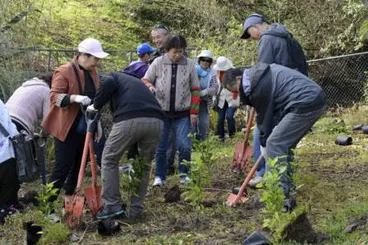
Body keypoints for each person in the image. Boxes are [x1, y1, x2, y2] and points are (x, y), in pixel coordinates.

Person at [222, 63, 326, 211]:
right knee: (282, 145)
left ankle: (278, 197)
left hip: (305, 101)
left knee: (275, 144)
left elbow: (265, 119)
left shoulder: (257, 86)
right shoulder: (256, 78)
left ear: (239, 79)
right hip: (308, 99)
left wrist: (265, 144)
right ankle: (288, 191)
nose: (238, 94)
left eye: (235, 90)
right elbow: (273, 111)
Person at [240, 13, 309, 186]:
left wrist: (258, 94)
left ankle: (264, 174)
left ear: (256, 26)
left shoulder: (267, 39)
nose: (252, 38)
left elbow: (262, 71)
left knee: (262, 132)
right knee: (284, 137)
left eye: (250, 33)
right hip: (295, 91)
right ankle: (286, 174)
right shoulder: (287, 36)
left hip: (278, 92)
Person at [88, 72, 164, 220]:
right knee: (143, 164)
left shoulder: (110, 76)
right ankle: (135, 210)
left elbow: (108, 82)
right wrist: (132, 148)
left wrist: (95, 106)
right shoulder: (135, 83)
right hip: (157, 121)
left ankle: (111, 206)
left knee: (109, 159)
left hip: (130, 119)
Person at [42, 38, 108, 204]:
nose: (97, 62)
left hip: (86, 127)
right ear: (84, 55)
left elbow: (96, 100)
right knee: (62, 167)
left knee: (79, 165)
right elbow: (54, 97)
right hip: (66, 128)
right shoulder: (64, 71)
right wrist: (74, 98)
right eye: (96, 58)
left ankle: (69, 200)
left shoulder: (93, 73)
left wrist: (97, 124)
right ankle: (47, 206)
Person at [143, 35, 200, 186]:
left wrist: (194, 112)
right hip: (162, 113)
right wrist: (151, 88)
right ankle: (159, 177)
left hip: (183, 113)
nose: (177, 55)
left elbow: (195, 89)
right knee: (161, 146)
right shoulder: (158, 62)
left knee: (184, 145)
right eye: (174, 52)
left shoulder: (189, 65)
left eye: (180, 52)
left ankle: (184, 174)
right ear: (167, 50)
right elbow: (145, 80)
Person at [150, 24, 176, 175]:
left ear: (167, 36)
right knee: (159, 133)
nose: (156, 40)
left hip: (173, 101)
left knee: (170, 133)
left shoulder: (176, 52)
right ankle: (160, 163)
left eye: (158, 37)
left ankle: (168, 164)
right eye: (153, 38)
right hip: (157, 100)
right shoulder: (154, 56)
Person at [123, 43, 157, 160]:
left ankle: (131, 153)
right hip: (141, 100)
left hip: (129, 99)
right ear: (146, 55)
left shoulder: (131, 65)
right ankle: (137, 154)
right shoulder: (145, 69)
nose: (152, 56)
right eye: (150, 54)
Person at [0, 99, 21, 224]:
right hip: (4, 151)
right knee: (9, 183)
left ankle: (6, 208)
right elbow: (8, 124)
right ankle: (7, 209)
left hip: (4, 149)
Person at [213, 56, 239, 141]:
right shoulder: (216, 73)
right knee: (220, 118)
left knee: (230, 116)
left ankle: (232, 136)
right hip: (221, 99)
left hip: (232, 98)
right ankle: (221, 137)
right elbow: (215, 85)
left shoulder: (233, 73)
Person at [193, 50, 218, 140]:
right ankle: (193, 142)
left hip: (204, 100)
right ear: (199, 60)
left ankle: (202, 141)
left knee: (204, 122)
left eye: (208, 61)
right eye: (203, 60)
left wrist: (206, 91)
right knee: (193, 121)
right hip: (193, 101)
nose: (205, 62)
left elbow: (215, 88)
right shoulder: (193, 69)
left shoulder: (212, 73)